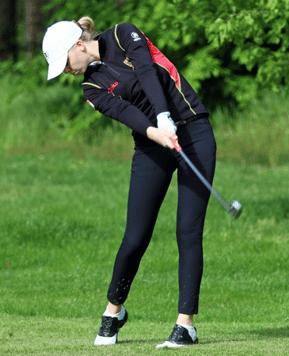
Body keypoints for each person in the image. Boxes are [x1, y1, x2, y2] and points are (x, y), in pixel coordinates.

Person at [42, 17, 216, 348]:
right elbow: (125, 113)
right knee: (135, 236)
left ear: (78, 45)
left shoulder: (122, 35)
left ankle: (185, 325)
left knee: (187, 230)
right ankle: (113, 312)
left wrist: (165, 116)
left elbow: (148, 72)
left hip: (192, 130)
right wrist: (155, 131)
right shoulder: (90, 87)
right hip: (153, 146)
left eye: (64, 63)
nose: (66, 71)